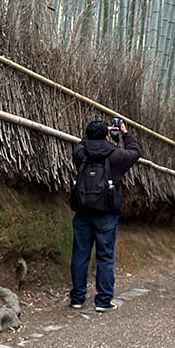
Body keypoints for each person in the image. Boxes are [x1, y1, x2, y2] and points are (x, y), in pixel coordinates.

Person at [69, 119, 141, 312]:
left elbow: (82, 143)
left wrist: (95, 134)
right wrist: (124, 133)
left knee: (80, 254)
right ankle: (102, 301)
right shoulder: (116, 155)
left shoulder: (80, 153)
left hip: (83, 212)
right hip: (106, 214)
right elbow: (135, 151)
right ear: (107, 135)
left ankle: (77, 298)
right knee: (105, 257)